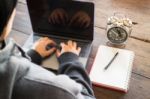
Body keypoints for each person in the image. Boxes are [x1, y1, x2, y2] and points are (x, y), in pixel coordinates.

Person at [0, 0, 95, 99]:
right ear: (10, 15)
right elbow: (86, 97)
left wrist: (31, 56)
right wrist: (71, 60)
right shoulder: (59, 90)